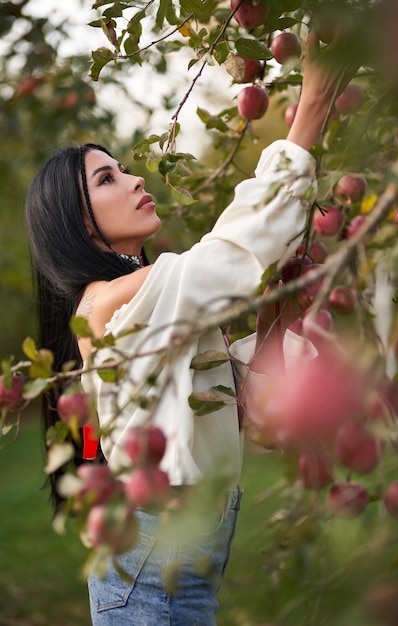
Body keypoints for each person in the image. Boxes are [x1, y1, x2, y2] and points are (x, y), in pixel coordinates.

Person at [25, 31, 355, 626]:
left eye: (123, 169)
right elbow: (224, 257)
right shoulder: (106, 304)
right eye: (106, 180)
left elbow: (255, 418)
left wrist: (273, 312)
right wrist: (310, 107)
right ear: (76, 227)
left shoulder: (154, 312)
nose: (133, 180)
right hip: (152, 568)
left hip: (171, 558)